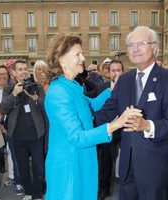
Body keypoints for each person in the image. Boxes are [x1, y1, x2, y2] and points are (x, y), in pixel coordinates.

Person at [94, 26, 168, 200]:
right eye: (131, 45)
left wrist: (146, 126)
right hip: (127, 168)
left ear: (154, 47)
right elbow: (106, 112)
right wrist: (80, 123)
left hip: (156, 171)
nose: (135, 49)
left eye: (141, 43)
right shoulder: (124, 80)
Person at [45, 34, 142, 200]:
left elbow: (92, 105)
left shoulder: (72, 86)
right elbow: (77, 136)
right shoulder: (58, 92)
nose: (83, 58)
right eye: (77, 54)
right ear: (62, 60)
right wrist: (117, 123)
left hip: (80, 159)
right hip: (69, 166)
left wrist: (112, 88)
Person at [0, 60, 45, 200]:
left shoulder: (37, 87)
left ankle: (37, 194)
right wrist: (14, 94)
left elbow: (47, 106)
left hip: (36, 135)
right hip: (17, 136)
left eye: (25, 69)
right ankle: (29, 192)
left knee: (39, 167)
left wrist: (35, 97)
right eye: (20, 69)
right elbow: (2, 109)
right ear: (13, 73)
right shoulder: (8, 90)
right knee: (23, 168)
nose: (24, 71)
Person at [0, 64, 24, 195]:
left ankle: (16, 180)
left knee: (14, 155)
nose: (2, 76)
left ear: (8, 75)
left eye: (4, 73)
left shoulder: (14, 88)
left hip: (11, 127)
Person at [97, 59, 124, 200]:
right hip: (108, 129)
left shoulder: (129, 87)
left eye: (118, 70)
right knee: (105, 161)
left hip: (125, 130)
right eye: (113, 70)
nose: (116, 73)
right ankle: (104, 189)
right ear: (109, 73)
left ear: (123, 71)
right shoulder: (103, 88)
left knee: (126, 159)